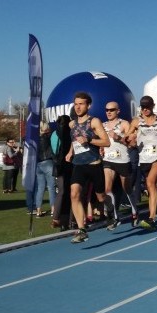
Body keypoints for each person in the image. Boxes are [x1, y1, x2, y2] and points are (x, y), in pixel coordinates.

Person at [65, 91, 112, 244]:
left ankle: (110, 209)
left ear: (88, 105)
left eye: (81, 104)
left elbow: (106, 142)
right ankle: (82, 229)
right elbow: (75, 141)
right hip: (78, 164)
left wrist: (89, 140)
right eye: (76, 104)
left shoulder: (94, 122)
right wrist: (70, 152)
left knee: (100, 197)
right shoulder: (72, 124)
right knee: (74, 193)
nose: (78, 107)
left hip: (94, 164)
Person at [128, 95, 157, 231]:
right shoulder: (136, 122)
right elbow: (128, 138)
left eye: (147, 107)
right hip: (144, 159)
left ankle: (151, 218)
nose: (145, 109)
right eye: (143, 107)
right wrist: (130, 140)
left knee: (150, 182)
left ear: (153, 106)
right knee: (153, 188)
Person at [101, 101, 139, 231]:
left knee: (126, 188)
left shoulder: (124, 124)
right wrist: (101, 147)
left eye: (111, 110)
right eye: (107, 110)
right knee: (107, 189)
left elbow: (132, 144)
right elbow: (102, 141)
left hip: (122, 160)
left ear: (118, 111)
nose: (108, 112)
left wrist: (118, 137)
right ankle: (115, 217)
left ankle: (135, 211)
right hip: (108, 160)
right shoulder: (103, 125)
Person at [29, 122, 56, 218]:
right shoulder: (47, 137)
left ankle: (38, 210)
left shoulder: (34, 139)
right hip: (47, 162)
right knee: (51, 187)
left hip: (38, 164)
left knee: (40, 188)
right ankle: (53, 209)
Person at [52, 114, 73, 229]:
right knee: (69, 193)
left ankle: (57, 218)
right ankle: (68, 220)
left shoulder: (54, 134)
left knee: (61, 192)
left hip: (58, 165)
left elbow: (54, 150)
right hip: (67, 164)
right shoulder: (68, 133)